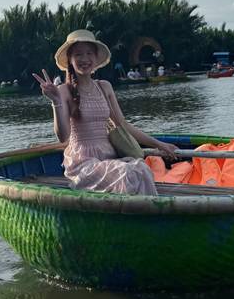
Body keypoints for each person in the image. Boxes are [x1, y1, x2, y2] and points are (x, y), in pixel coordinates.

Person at [32, 29, 177, 195]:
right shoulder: (64, 91)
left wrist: (160, 144)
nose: (84, 59)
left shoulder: (104, 86)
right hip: (83, 163)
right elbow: (63, 136)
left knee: (141, 169)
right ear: (70, 60)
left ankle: (146, 215)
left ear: (95, 58)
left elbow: (123, 124)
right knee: (127, 173)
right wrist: (55, 102)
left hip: (109, 156)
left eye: (89, 53)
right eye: (78, 54)